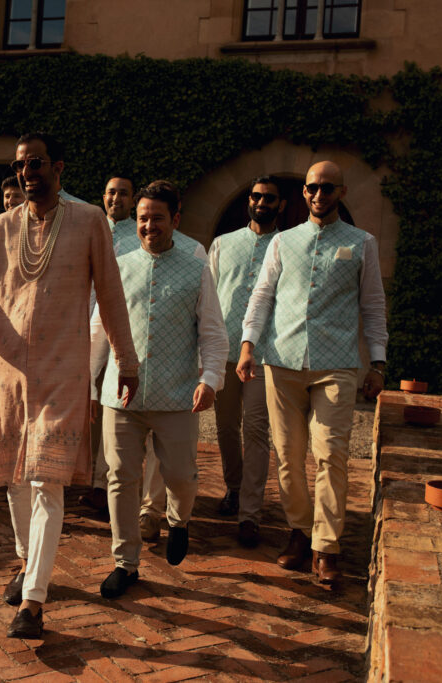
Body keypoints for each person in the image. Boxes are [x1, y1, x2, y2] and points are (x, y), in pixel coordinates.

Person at [0, 132, 138, 639]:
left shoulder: (90, 220)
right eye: (21, 165)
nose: (28, 172)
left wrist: (128, 362)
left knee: (46, 481)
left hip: (61, 371)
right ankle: (27, 561)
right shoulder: (3, 227)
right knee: (12, 477)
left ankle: (33, 601)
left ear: (59, 167)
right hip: (5, 372)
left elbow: (113, 297)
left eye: (37, 163)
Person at [237, 161, 387, 585]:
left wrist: (377, 362)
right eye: (311, 188)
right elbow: (261, 299)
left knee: (331, 454)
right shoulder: (283, 242)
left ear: (340, 191)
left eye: (327, 187)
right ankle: (300, 531)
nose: (318, 194)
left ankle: (326, 546)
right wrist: (248, 346)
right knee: (287, 456)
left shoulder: (362, 244)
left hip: (336, 365)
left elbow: (373, 306)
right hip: (280, 362)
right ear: (303, 193)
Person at [92, 181, 227, 598]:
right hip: (121, 394)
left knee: (181, 476)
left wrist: (209, 380)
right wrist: (85, 378)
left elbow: (213, 333)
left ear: (176, 220)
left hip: (178, 394)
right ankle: (125, 562)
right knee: (120, 477)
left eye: (158, 218)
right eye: (144, 218)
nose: (149, 225)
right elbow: (99, 328)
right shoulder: (118, 266)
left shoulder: (196, 270)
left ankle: (178, 520)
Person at [208, 176, 285, 547]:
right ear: (248, 201)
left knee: (255, 429)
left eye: (269, 198)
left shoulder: (287, 246)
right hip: (223, 351)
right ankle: (234, 488)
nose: (262, 202)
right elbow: (207, 298)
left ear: (280, 204)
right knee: (225, 427)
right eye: (256, 196)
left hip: (264, 354)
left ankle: (250, 513)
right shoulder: (223, 244)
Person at [80, 174, 138, 514]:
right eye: (111, 192)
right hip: (78, 329)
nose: (116, 198)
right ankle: (80, 475)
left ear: (132, 199)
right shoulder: (90, 228)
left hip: (115, 332)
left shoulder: (138, 238)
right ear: (103, 196)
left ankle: (103, 484)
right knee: (80, 403)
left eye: (123, 194)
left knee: (107, 407)